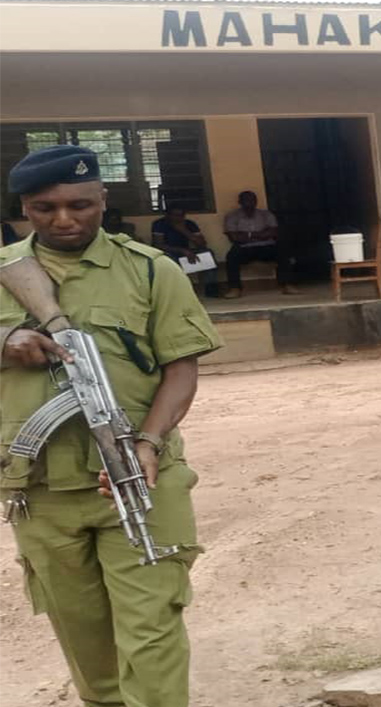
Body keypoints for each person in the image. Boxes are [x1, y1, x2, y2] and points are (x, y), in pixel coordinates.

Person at [0, 145, 223, 707]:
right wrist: (5, 341)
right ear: (23, 208)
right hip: (39, 491)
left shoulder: (150, 269)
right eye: (45, 208)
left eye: (80, 204)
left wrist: (149, 442)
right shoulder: (4, 272)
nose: (64, 219)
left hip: (139, 477)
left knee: (150, 632)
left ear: (103, 199)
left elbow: (182, 368)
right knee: (85, 640)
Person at [222, 190, 298, 298]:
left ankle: (287, 285)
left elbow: (274, 232)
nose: (250, 202)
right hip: (244, 248)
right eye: (246, 200)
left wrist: (247, 235)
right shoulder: (232, 216)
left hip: (266, 246)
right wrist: (262, 234)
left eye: (253, 200)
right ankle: (235, 288)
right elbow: (234, 237)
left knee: (283, 252)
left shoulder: (266, 214)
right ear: (240, 202)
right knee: (231, 257)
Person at [152, 206, 220, 299]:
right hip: (168, 252)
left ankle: (211, 289)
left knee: (207, 253)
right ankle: (177, 292)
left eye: (181, 215)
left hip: (186, 251)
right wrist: (183, 251)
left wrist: (184, 230)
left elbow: (202, 244)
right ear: (167, 215)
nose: (178, 218)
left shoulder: (189, 224)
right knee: (168, 259)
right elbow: (158, 245)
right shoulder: (159, 224)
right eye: (175, 215)